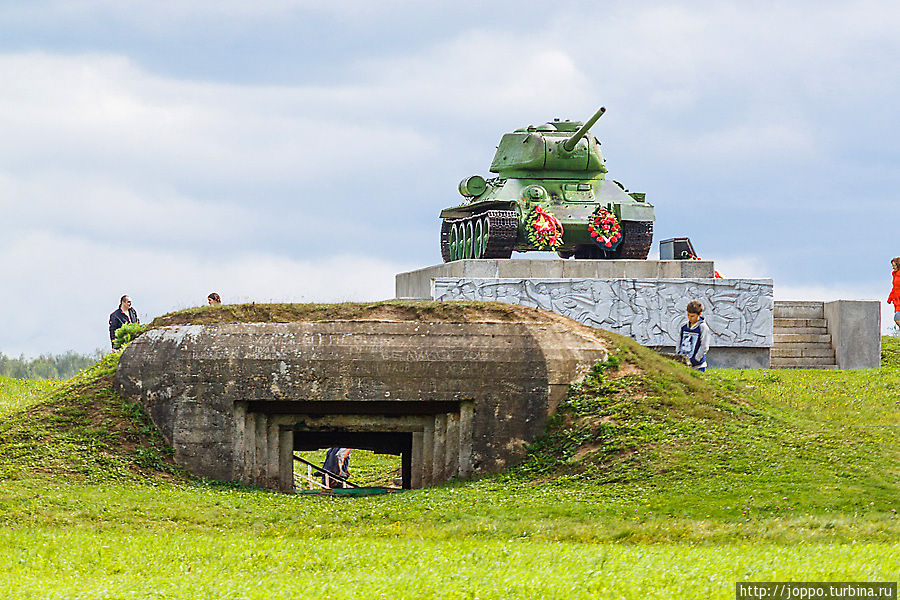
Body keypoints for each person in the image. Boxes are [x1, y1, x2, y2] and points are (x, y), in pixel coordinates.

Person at [677, 300, 711, 372]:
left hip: (698, 366)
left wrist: (696, 359)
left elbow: (704, 346)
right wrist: (678, 355)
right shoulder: (684, 326)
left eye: (692, 316)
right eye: (688, 315)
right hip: (683, 363)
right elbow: (679, 341)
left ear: (699, 314)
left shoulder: (703, 327)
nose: (690, 318)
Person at [888, 257, 900, 330]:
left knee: (897, 318)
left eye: (894, 265)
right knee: (897, 318)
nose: (893, 267)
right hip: (897, 300)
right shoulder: (894, 274)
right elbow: (894, 288)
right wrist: (890, 298)